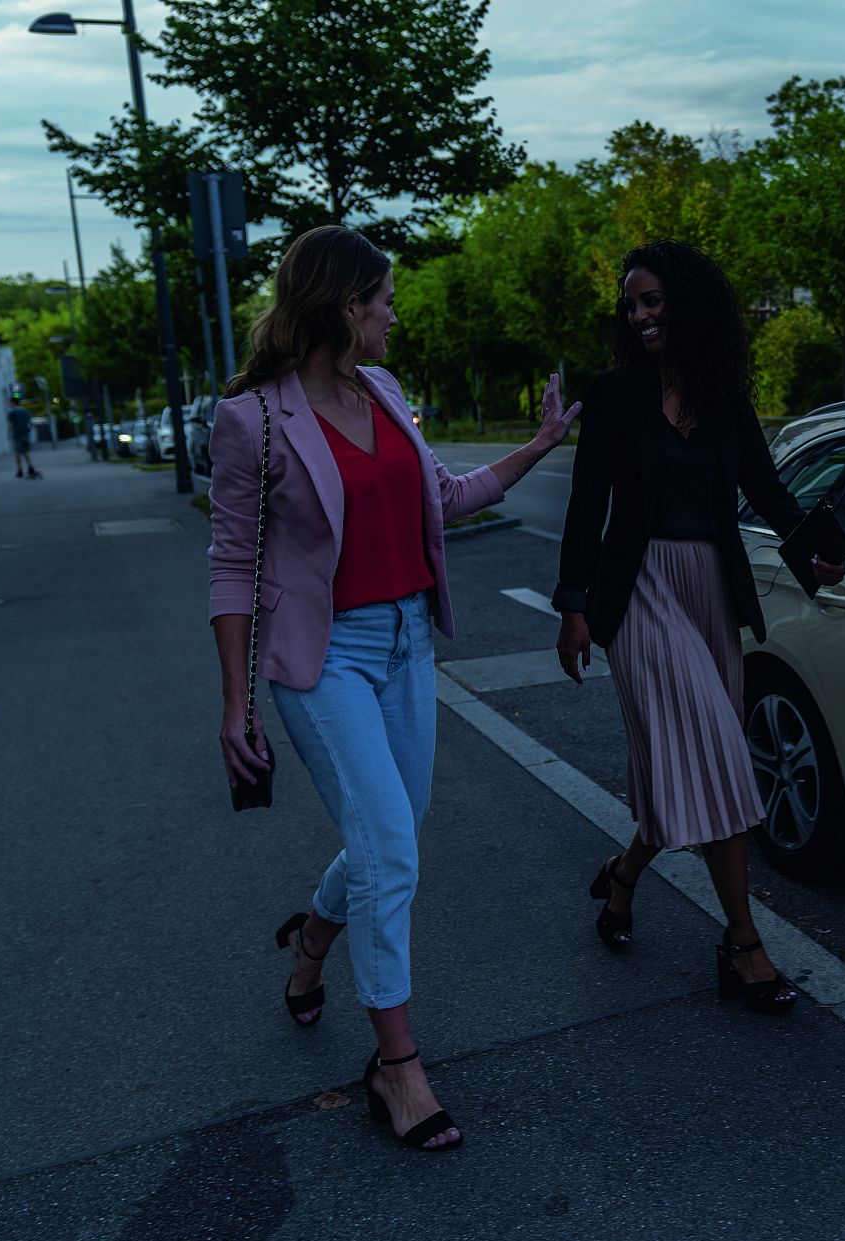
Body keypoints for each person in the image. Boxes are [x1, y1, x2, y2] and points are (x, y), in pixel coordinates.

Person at [208, 225, 578, 1152]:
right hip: (325, 656)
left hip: (409, 640)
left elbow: (442, 501)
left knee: (393, 831)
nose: (393, 314)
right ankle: (398, 1067)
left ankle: (313, 948)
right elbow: (230, 565)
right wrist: (233, 704)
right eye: (383, 299)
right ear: (345, 304)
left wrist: (539, 444)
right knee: (391, 856)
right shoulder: (252, 417)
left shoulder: (384, 390)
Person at [553, 239, 845, 1016]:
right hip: (641, 587)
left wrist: (815, 550)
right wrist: (573, 606)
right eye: (631, 305)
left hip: (710, 588)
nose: (641, 316)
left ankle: (623, 878)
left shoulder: (721, 394)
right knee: (716, 748)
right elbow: (588, 504)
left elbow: (766, 487)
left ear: (687, 302)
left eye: (652, 301)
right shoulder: (616, 394)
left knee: (684, 765)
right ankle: (742, 944)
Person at [8, 393, 40, 479]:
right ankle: (30, 466)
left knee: (18, 453)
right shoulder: (25, 412)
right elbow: (30, 424)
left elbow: (11, 425)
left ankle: (19, 470)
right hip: (25, 435)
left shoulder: (12, 413)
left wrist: (9, 434)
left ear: (13, 403)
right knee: (25, 452)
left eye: (10, 402)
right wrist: (27, 432)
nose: (9, 404)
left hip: (17, 435)